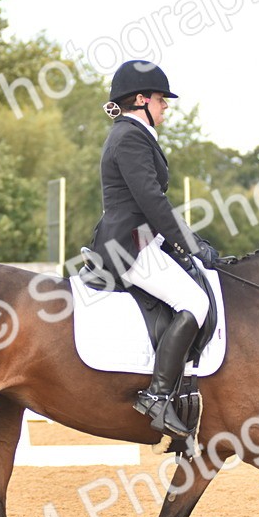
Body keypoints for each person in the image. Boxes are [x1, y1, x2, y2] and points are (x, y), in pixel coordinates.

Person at [87, 60, 221, 439]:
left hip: (142, 238)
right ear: (142, 99)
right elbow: (151, 200)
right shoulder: (129, 137)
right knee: (196, 304)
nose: (165, 107)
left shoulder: (134, 134)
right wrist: (188, 242)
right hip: (127, 244)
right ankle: (158, 396)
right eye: (161, 100)